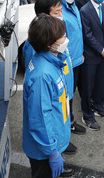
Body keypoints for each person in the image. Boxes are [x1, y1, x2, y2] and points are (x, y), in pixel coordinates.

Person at [26, 0, 78, 156]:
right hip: (53, 95)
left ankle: (60, 145)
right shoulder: (41, 72)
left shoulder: (53, 49)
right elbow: (41, 115)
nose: (65, 39)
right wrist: (52, 151)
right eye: (57, 12)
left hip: (61, 92)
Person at [23, 14, 73, 178]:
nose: (66, 39)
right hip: (44, 150)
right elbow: (40, 119)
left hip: (53, 140)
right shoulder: (42, 75)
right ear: (48, 44)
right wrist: (52, 152)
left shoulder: (53, 59)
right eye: (62, 36)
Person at [55, 0, 86, 135]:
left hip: (77, 60)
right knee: (63, 98)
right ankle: (63, 131)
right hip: (65, 63)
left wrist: (80, 54)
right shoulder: (58, 10)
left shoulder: (73, 6)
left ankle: (70, 122)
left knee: (71, 96)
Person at [79, 0, 104, 130]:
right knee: (87, 86)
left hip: (103, 53)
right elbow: (87, 34)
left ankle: (99, 106)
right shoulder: (85, 10)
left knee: (101, 83)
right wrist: (101, 49)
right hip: (92, 54)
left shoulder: (103, 7)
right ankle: (87, 115)